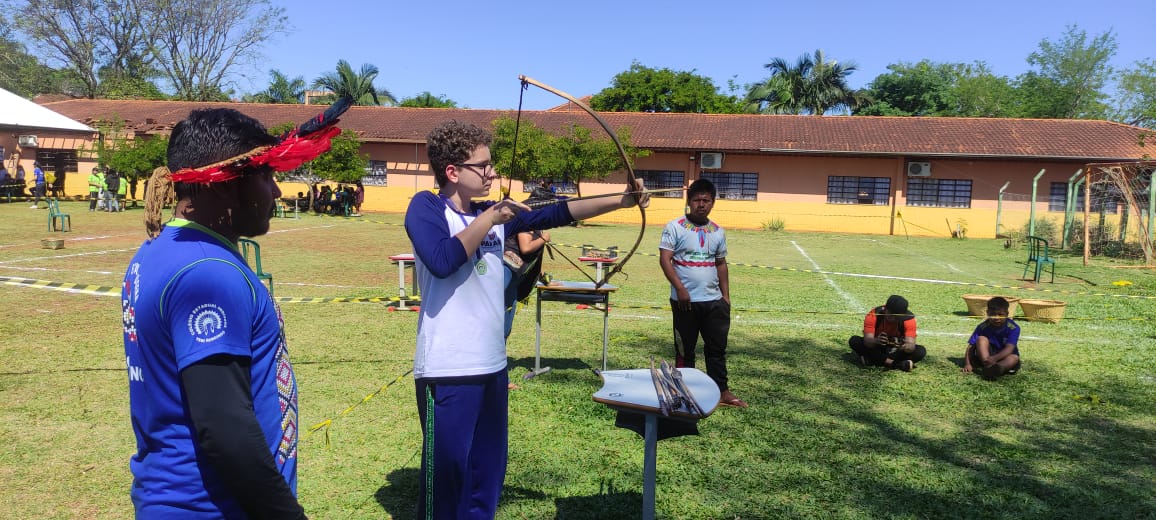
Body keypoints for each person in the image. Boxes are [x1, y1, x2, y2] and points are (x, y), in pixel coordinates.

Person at [404, 120, 647, 519]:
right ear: (452, 172)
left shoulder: (494, 215)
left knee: (486, 476)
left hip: (492, 368)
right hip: (446, 370)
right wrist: (490, 219)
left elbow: (556, 213)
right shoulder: (427, 207)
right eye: (482, 166)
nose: (492, 173)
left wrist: (620, 201)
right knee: (446, 482)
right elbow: (443, 260)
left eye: (491, 164)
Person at [120, 104, 345, 519]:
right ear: (223, 182)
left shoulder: (156, 252)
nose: (275, 192)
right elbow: (224, 427)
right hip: (211, 507)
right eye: (266, 176)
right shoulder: (209, 273)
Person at [659, 179, 747, 408]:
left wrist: (725, 297)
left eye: (706, 200)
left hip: (714, 303)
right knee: (684, 349)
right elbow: (665, 259)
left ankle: (722, 391)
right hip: (684, 302)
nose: (701, 204)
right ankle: (684, 392)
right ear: (689, 202)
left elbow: (721, 264)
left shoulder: (718, 231)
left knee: (716, 349)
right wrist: (680, 289)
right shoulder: (674, 227)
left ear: (713, 203)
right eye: (697, 199)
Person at [848, 295, 927, 371]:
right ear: (886, 310)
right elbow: (868, 341)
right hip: (877, 347)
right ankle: (897, 364)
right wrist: (876, 341)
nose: (895, 319)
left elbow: (910, 345)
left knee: (920, 351)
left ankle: (873, 360)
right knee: (855, 341)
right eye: (892, 316)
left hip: (896, 350)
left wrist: (906, 347)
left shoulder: (909, 319)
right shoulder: (873, 315)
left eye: (898, 317)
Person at [962, 296, 1022, 380]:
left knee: (1014, 358)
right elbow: (971, 346)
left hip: (1004, 356)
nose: (996, 318)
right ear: (987, 313)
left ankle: (997, 369)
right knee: (981, 339)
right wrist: (967, 364)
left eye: (1000, 314)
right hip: (987, 358)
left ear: (1007, 314)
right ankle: (989, 367)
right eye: (993, 314)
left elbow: (1009, 348)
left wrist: (995, 358)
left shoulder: (1014, 328)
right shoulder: (982, 327)